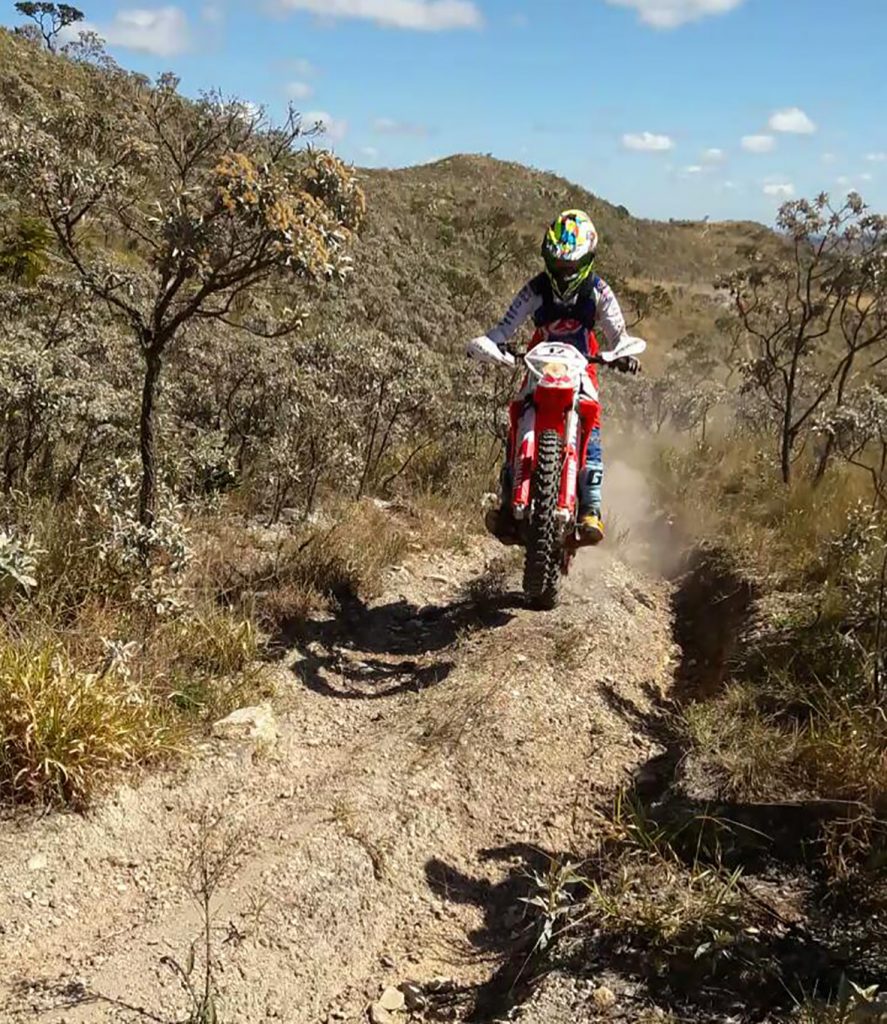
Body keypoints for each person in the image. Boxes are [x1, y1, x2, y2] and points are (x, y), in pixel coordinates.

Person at [470, 209, 641, 545]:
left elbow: (617, 332)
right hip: (540, 359)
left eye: (570, 266)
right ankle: (508, 498)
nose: (563, 272)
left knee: (590, 416)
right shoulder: (536, 288)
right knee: (519, 411)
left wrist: (624, 354)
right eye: (558, 264)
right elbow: (506, 324)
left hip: (583, 359)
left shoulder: (599, 292)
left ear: (587, 260)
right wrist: (490, 343)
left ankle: (591, 507)